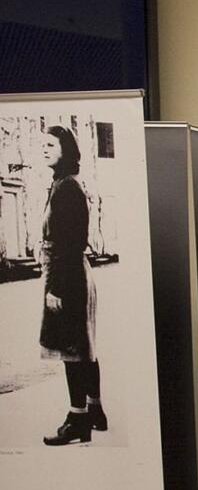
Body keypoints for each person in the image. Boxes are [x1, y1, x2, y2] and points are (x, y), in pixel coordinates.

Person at [39, 125, 106, 446]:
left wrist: (56, 289)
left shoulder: (67, 189)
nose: (45, 149)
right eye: (43, 145)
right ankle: (95, 410)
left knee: (72, 349)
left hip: (68, 276)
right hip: (74, 273)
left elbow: (70, 243)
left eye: (51, 144)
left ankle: (77, 419)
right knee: (83, 343)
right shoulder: (62, 185)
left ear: (66, 148)